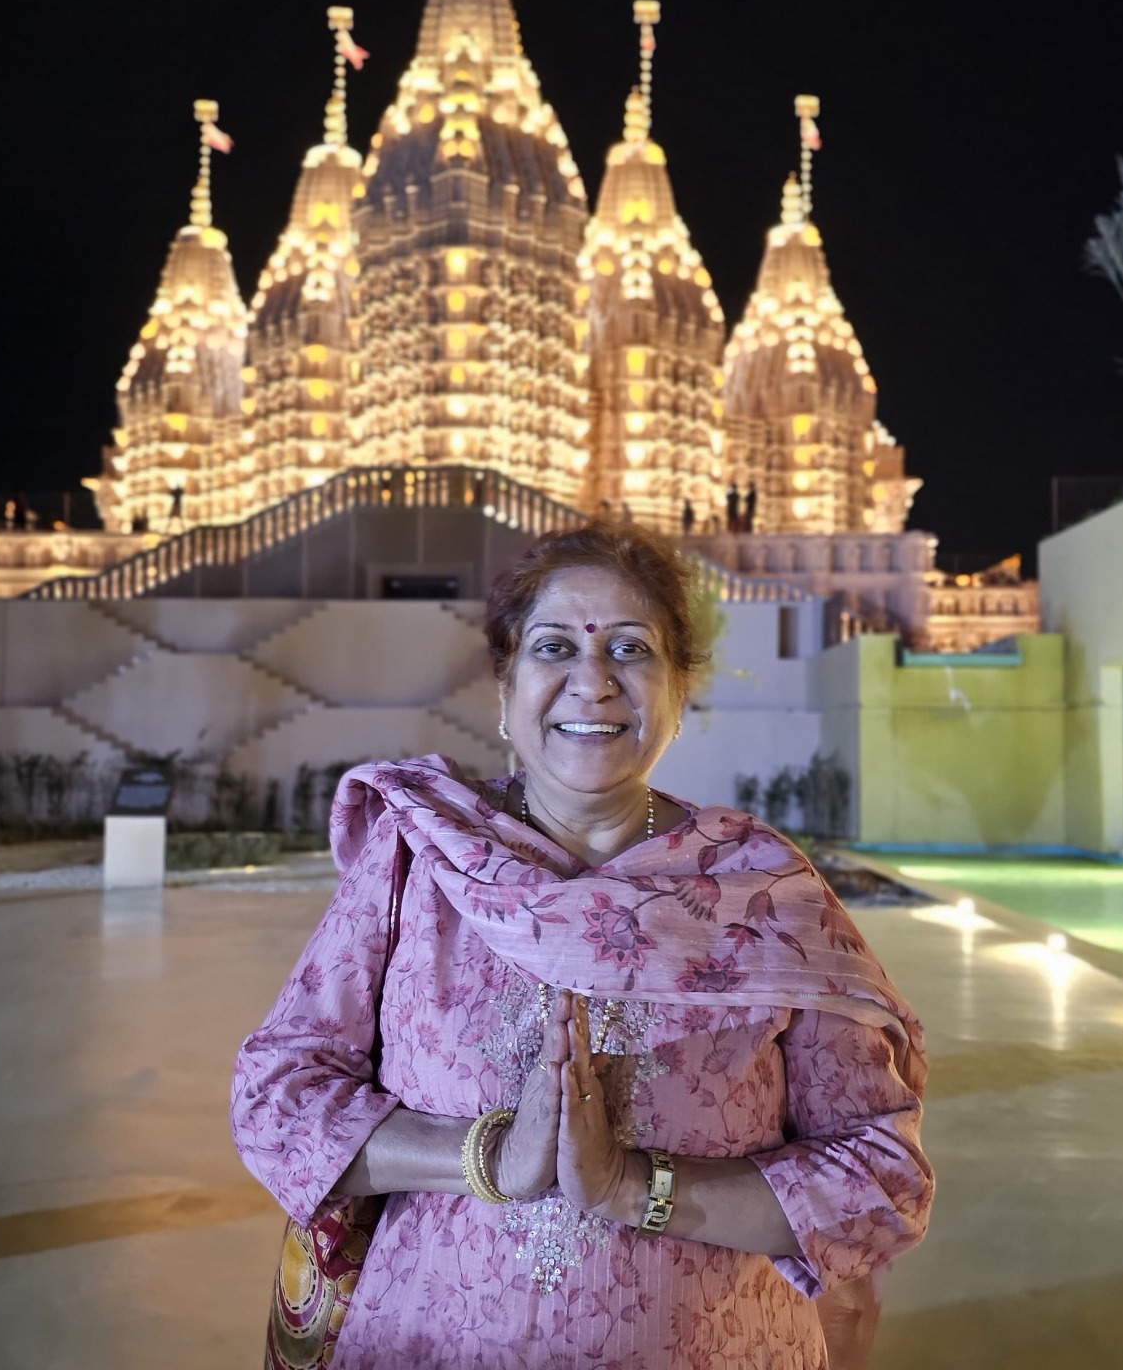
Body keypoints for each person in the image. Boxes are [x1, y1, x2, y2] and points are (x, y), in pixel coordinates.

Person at [232, 521, 933, 1368]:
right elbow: (277, 1100)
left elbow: (879, 1177)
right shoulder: (421, 859)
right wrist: (484, 1156)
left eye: (631, 650)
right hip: (424, 1343)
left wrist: (634, 1187)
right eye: (554, 646)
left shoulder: (765, 892)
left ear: (680, 689)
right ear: (504, 688)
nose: (591, 682)